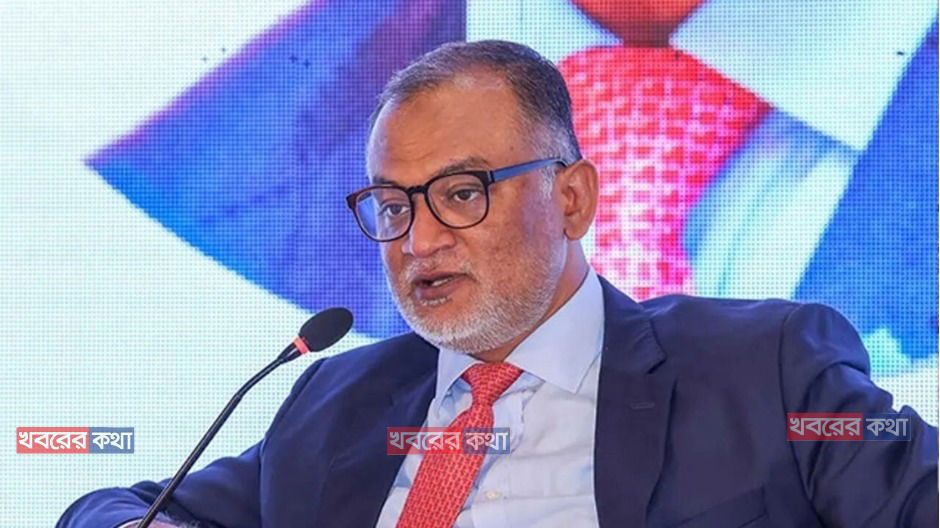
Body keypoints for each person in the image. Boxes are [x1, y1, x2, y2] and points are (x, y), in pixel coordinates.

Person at [58, 40, 937, 528]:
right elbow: (117, 507)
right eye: (393, 206)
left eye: (461, 193)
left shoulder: (762, 369)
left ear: (573, 198)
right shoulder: (339, 400)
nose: (420, 240)